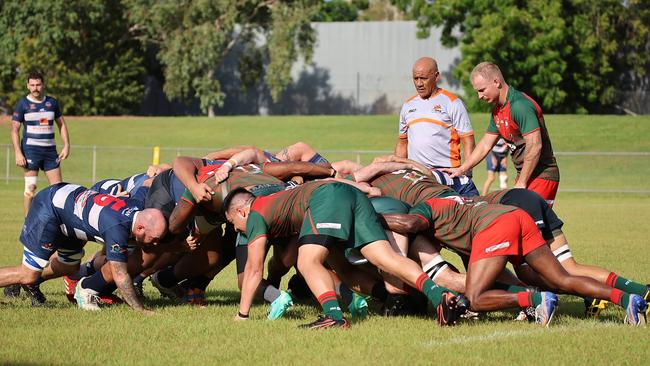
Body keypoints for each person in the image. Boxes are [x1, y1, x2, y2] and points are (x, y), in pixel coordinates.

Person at [224, 181, 467, 328]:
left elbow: (254, 270)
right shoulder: (276, 203)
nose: (236, 229)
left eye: (233, 222)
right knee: (375, 260)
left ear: (241, 211)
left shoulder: (255, 213)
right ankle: (439, 295)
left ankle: (334, 317)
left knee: (308, 261)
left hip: (326, 198)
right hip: (350, 195)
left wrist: (242, 314)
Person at [383, 198, 648, 326]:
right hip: (516, 215)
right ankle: (628, 301)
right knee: (562, 278)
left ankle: (535, 300)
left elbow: (410, 223)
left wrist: (379, 220)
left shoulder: (422, 207)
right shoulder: (451, 201)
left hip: (495, 225)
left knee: (475, 297)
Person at [0, 183, 166, 313]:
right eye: (154, 239)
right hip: (50, 207)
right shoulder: (117, 228)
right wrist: (140, 309)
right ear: (140, 229)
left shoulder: (136, 204)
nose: (155, 244)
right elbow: (120, 275)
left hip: (69, 209)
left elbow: (148, 182)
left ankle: (24, 281)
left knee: (69, 266)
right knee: (28, 275)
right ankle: (24, 279)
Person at [444, 62, 560, 206]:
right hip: (526, 177)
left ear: (496, 82)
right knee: (526, 223)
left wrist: (522, 182)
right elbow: (485, 145)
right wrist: (462, 169)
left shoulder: (520, 106)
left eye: (482, 90)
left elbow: (535, 145)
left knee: (529, 222)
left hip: (542, 175)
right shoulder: (497, 112)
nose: (479, 96)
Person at [395, 57, 478, 197]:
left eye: (424, 78)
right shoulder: (408, 106)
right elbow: (403, 143)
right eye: (415, 79)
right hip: (418, 175)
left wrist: (467, 172)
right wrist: (397, 172)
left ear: (436, 76)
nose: (419, 83)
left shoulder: (452, 103)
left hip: (447, 175)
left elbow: (468, 140)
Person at [10, 71, 71, 215]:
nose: (35, 88)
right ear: (27, 86)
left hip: (50, 152)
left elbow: (61, 124)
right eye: (32, 85)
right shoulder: (22, 104)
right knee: (30, 188)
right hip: (30, 152)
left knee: (58, 190)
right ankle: (28, 224)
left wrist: (67, 145)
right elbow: (14, 130)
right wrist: (18, 153)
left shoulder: (52, 103)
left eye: (38, 84)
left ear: (43, 85)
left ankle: (59, 227)